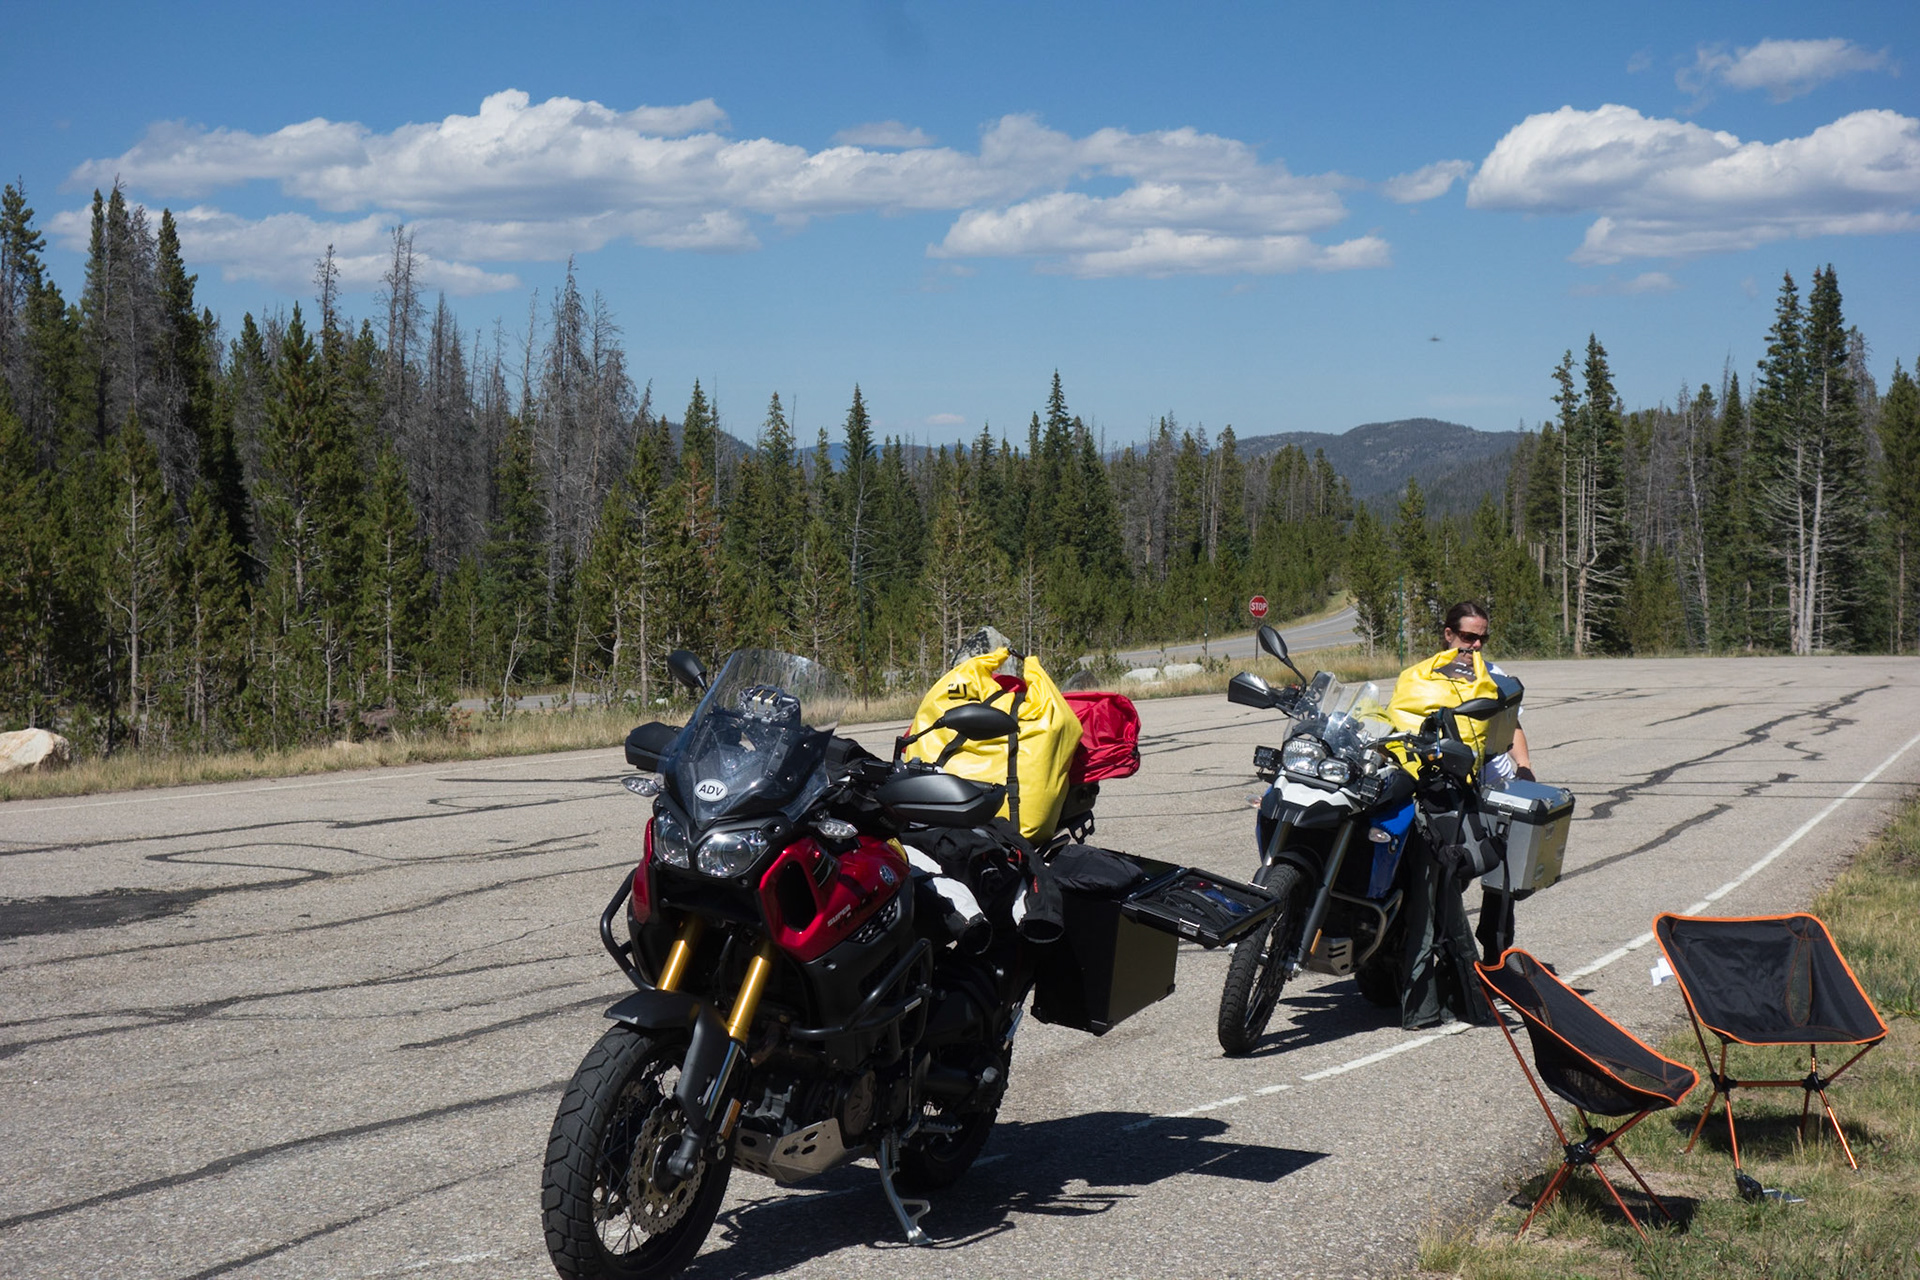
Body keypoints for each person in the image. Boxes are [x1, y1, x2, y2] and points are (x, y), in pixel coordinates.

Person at [1436, 603, 1537, 964]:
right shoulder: (1427, 677)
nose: (1476, 645)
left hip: (1494, 785)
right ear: (1449, 634)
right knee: (1448, 871)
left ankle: (1496, 954)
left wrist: (1524, 768)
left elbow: (1513, 725)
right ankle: (1450, 954)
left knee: (1503, 874)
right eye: (1468, 637)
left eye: (1482, 638)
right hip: (1448, 787)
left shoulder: (1495, 675)